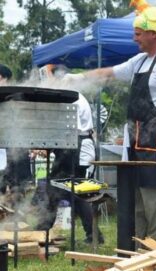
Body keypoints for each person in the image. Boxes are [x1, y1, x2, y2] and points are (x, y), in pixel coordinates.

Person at [64, 0, 156, 239]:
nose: (134, 39)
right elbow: (108, 73)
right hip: (136, 148)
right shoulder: (139, 61)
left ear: (154, 33)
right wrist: (77, 79)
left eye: (138, 34)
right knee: (138, 207)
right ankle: (139, 256)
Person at [36, 65, 103, 244]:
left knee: (75, 190)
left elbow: (66, 126)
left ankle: (92, 235)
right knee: (59, 188)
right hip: (71, 146)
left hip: (78, 146)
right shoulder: (69, 94)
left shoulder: (71, 96)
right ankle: (43, 230)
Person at [0, 65, 33, 205]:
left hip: (15, 148)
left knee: (17, 187)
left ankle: (15, 218)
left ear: (1, 77)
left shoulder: (15, 96)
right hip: (6, 149)